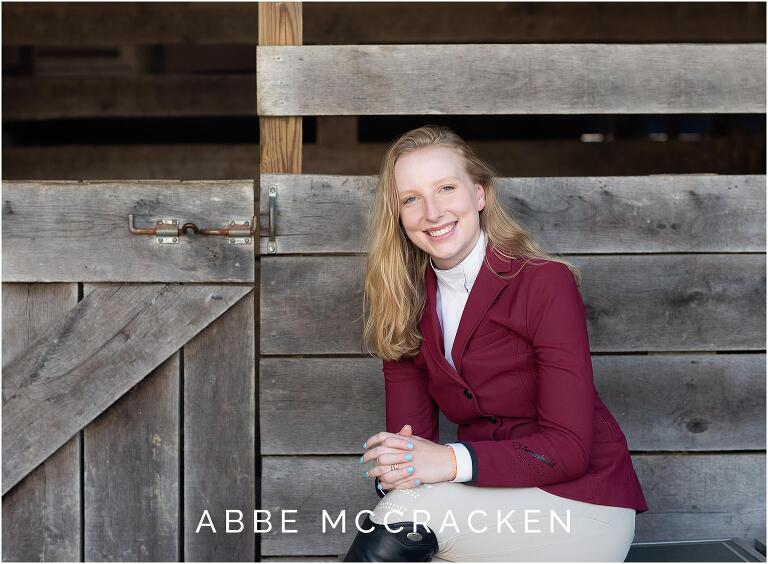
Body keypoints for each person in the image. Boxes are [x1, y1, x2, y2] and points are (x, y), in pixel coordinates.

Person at [343, 125, 649, 562]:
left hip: (582, 504)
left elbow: (570, 449)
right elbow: (412, 446)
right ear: (398, 215)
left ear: (480, 194)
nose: (432, 211)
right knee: (405, 508)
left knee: (405, 517)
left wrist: (446, 462)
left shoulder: (544, 283)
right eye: (411, 198)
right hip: (490, 501)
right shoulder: (403, 301)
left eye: (446, 188)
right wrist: (398, 466)